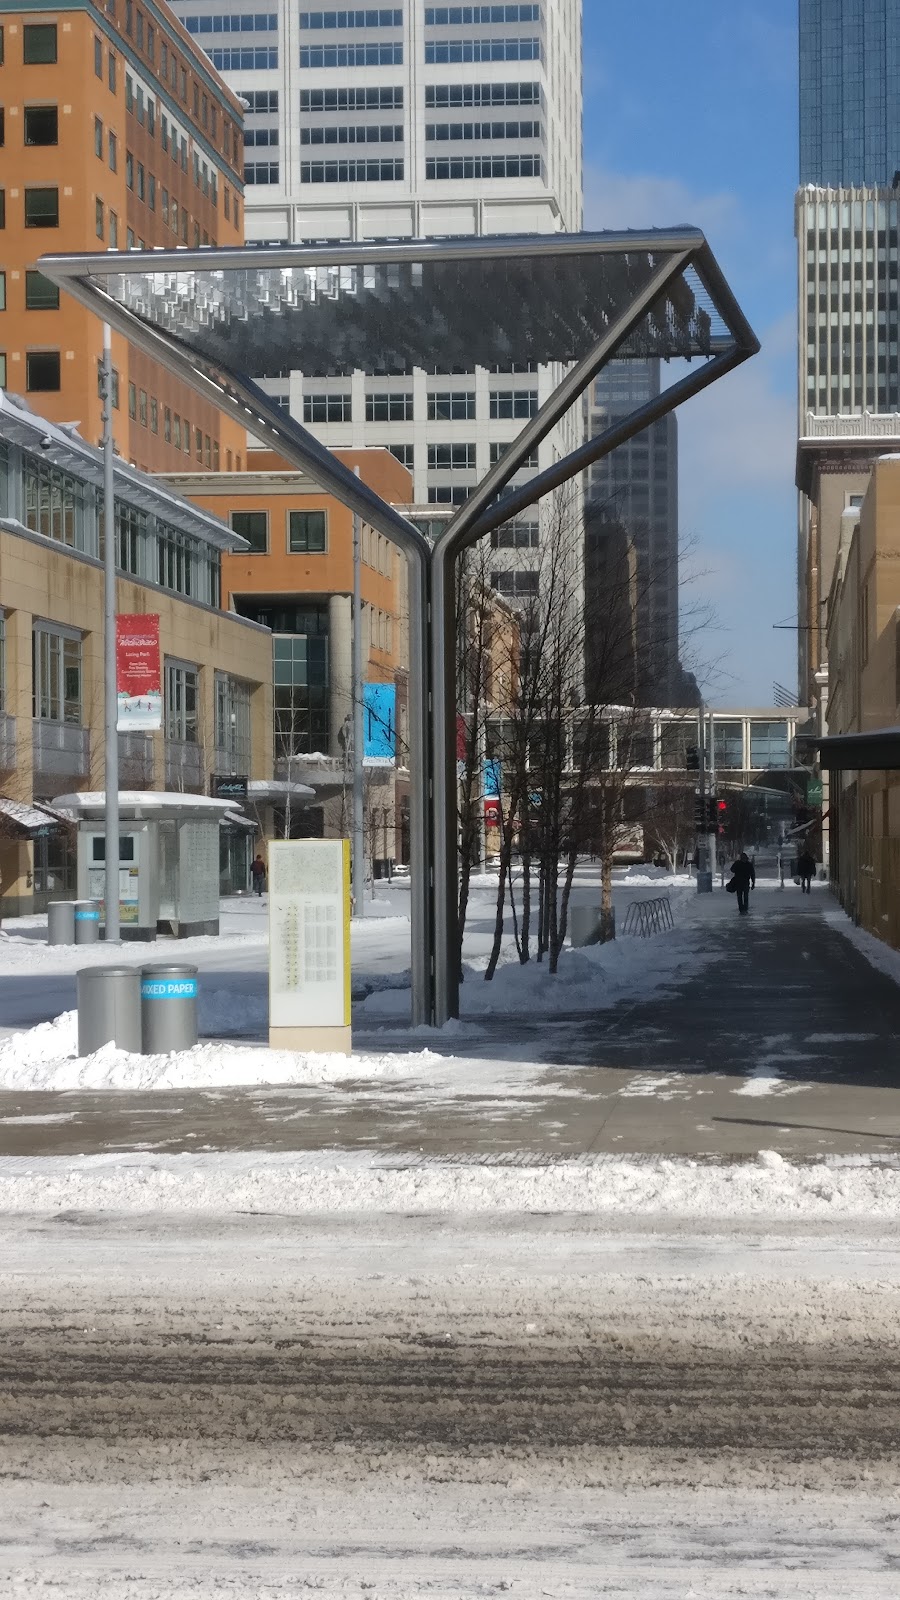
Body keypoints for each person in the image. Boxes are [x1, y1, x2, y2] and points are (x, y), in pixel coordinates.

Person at [730, 851, 755, 915]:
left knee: (740, 896)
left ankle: (741, 909)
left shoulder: (737, 863)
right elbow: (752, 874)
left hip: (739, 882)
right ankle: (745, 909)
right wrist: (753, 883)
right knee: (745, 896)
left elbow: (732, 870)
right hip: (745, 882)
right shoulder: (749, 865)